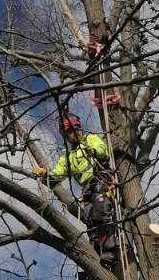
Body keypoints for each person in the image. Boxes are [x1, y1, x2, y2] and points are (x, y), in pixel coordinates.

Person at [34, 114, 117, 268]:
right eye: (70, 132)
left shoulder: (89, 139)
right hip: (87, 191)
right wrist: (44, 174)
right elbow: (57, 174)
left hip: (101, 180)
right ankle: (97, 258)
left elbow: (103, 150)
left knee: (100, 211)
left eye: (75, 130)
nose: (73, 134)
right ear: (66, 135)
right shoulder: (69, 157)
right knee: (91, 223)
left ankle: (110, 251)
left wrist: (92, 149)